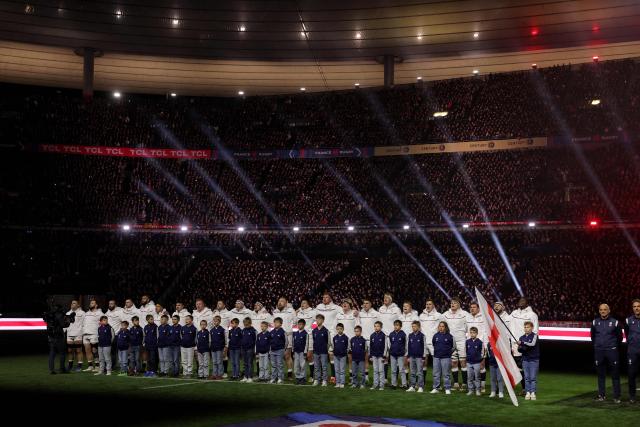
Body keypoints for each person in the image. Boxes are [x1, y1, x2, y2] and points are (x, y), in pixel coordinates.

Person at [591, 303, 623, 403]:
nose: (603, 311)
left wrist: (612, 346)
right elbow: (593, 337)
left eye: (605, 309)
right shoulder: (595, 322)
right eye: (601, 310)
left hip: (612, 351)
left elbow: (620, 338)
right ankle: (601, 395)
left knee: (615, 374)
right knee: (600, 375)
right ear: (599, 311)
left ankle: (616, 397)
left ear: (609, 311)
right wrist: (598, 346)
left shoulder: (615, 322)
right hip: (599, 351)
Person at [511, 297, 539, 393]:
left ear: (527, 303)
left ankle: (529, 390)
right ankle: (525, 389)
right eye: (519, 300)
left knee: (525, 368)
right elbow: (507, 323)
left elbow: (535, 331)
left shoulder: (532, 315)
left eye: (523, 300)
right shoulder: (514, 313)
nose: (520, 302)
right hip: (515, 343)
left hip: (526, 345)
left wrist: (528, 344)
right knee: (519, 367)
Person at [442, 298, 469, 390]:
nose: (452, 304)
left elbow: (468, 327)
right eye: (451, 303)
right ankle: (456, 383)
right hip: (450, 341)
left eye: (455, 303)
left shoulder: (465, 314)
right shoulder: (445, 314)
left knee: (463, 362)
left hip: (461, 340)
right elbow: (441, 325)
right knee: (454, 363)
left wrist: (465, 336)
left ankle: (465, 384)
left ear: (459, 304)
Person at [467, 302, 488, 391]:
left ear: (478, 308)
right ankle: (473, 386)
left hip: (481, 344)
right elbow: (466, 330)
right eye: (471, 307)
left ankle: (482, 386)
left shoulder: (483, 317)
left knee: (482, 365)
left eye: (474, 307)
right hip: (470, 344)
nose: (472, 309)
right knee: (471, 366)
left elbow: (486, 331)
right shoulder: (467, 317)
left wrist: (486, 344)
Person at [273, 297, 296, 378]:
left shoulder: (291, 311)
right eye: (279, 301)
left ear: (286, 303)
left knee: (287, 355)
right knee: (279, 355)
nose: (280, 302)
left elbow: (295, 321)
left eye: (282, 301)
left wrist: (289, 329)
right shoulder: (275, 311)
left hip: (287, 335)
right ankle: (278, 373)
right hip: (277, 336)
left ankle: (290, 373)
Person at [419, 298, 441, 382]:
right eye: (427, 304)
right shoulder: (421, 315)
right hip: (424, 342)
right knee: (423, 363)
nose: (428, 306)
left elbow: (442, 327)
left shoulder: (438, 315)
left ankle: (437, 384)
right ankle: (422, 382)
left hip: (434, 343)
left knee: (436, 363)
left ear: (433, 305)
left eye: (430, 304)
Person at [44, 304, 70, 374]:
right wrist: (68, 322)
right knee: (62, 353)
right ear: (59, 309)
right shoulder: (59, 315)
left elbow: (47, 324)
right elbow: (63, 325)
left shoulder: (49, 315)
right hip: (59, 337)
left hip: (51, 336)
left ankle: (51, 370)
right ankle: (62, 369)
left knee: (52, 353)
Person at [431, 321, 455, 395]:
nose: (441, 328)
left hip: (446, 357)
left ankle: (447, 388)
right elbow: (433, 344)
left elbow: (453, 347)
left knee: (446, 374)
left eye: (442, 326)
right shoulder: (435, 336)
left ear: (446, 327)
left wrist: (447, 353)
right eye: (440, 326)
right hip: (436, 357)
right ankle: (436, 388)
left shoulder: (450, 336)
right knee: (436, 373)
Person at [518, 321, 540, 401]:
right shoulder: (521, 337)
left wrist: (523, 344)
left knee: (533, 378)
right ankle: (528, 392)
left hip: (534, 360)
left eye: (528, 327)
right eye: (525, 327)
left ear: (532, 328)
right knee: (526, 378)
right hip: (525, 360)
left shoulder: (535, 336)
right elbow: (520, 349)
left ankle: (533, 393)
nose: (526, 329)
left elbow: (532, 344)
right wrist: (522, 347)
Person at [359, 298, 379, 384]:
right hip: (362, 339)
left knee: (374, 359)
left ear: (371, 304)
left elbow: (379, 325)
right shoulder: (360, 314)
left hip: (373, 340)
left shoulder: (376, 314)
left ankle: (377, 377)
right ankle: (366, 376)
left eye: (367, 303)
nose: (365, 305)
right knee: (364, 359)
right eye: (364, 303)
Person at [82, 299, 103, 372]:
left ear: (96, 305)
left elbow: (102, 324)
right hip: (85, 334)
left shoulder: (100, 313)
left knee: (94, 350)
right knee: (87, 350)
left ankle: (97, 366)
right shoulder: (86, 313)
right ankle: (90, 366)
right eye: (90, 303)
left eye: (92, 303)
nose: (90, 304)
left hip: (94, 334)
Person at [625, 299, 640, 403]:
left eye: (638, 306)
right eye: (634, 306)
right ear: (632, 308)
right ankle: (632, 396)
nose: (636, 308)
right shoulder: (628, 320)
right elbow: (627, 334)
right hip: (633, 351)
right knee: (631, 374)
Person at [214, 300, 233, 377]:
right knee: (217, 356)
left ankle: (224, 372)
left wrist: (229, 332)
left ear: (224, 305)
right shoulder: (214, 313)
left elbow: (231, 324)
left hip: (224, 335)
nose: (218, 304)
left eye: (220, 303)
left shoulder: (228, 313)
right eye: (217, 303)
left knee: (224, 354)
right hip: (216, 336)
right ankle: (218, 372)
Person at [406, 320, 426, 393]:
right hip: (411, 356)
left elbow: (424, 346)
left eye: (415, 326)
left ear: (419, 327)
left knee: (420, 372)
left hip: (419, 357)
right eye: (412, 326)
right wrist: (408, 356)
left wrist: (423, 357)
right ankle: (412, 386)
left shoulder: (422, 336)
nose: (413, 328)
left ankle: (420, 387)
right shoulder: (410, 335)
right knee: (412, 372)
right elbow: (408, 346)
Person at [66, 299, 85, 372]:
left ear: (78, 305)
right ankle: (70, 365)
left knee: (78, 350)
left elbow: (84, 324)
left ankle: (79, 366)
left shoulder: (82, 313)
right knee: (70, 350)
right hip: (69, 334)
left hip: (78, 334)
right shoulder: (68, 313)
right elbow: (65, 324)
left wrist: (81, 332)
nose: (72, 304)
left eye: (74, 303)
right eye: (72, 303)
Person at [369, 320, 389, 391]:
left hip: (381, 356)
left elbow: (386, 347)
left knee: (381, 371)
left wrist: (384, 356)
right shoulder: (372, 335)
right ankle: (375, 384)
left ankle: (381, 385)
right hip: (374, 355)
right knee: (375, 370)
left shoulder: (384, 335)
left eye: (378, 326)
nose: (376, 327)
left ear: (381, 327)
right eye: (375, 326)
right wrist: (370, 356)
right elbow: (370, 346)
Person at [312, 313, 330, 386]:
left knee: (324, 366)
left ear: (323, 320)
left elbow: (328, 342)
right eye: (317, 319)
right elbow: (314, 340)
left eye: (319, 319)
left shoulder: (326, 330)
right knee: (316, 366)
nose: (318, 320)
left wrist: (326, 349)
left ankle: (324, 380)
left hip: (323, 352)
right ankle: (317, 379)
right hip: (316, 351)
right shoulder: (314, 331)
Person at [389, 319, 407, 389]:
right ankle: (394, 384)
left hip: (400, 354)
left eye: (397, 325)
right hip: (393, 354)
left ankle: (404, 384)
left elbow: (405, 345)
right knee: (393, 370)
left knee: (401, 370)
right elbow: (390, 344)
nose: (396, 327)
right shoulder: (391, 334)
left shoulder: (403, 334)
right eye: (395, 325)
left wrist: (404, 353)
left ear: (400, 326)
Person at [106, 300, 123, 369]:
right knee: (110, 351)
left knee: (117, 351)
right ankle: (112, 365)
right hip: (108, 335)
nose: (110, 305)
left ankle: (119, 365)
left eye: (112, 304)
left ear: (115, 305)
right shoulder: (107, 312)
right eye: (109, 304)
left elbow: (123, 321)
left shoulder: (119, 312)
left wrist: (120, 331)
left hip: (116, 334)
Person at [466, 326, 483, 396]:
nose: (472, 334)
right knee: (469, 377)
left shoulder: (480, 342)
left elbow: (482, 352)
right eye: (471, 333)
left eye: (473, 333)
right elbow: (466, 351)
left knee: (477, 377)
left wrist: (480, 359)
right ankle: (470, 390)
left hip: (477, 363)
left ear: (477, 333)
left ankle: (478, 390)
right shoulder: (467, 342)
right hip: (469, 362)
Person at [209, 315, 228, 380]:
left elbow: (225, 339)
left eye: (216, 321)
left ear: (219, 322)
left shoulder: (222, 330)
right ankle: (214, 374)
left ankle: (220, 374)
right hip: (213, 348)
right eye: (214, 321)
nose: (215, 322)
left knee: (219, 361)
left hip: (220, 348)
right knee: (214, 362)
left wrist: (225, 347)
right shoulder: (211, 330)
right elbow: (210, 340)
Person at [269, 317, 287, 384]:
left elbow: (286, 342)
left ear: (281, 324)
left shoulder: (282, 332)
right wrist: (270, 349)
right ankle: (273, 378)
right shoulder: (272, 332)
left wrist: (283, 349)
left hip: (280, 350)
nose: (275, 324)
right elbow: (270, 341)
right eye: (275, 322)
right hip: (272, 351)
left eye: (277, 322)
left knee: (279, 365)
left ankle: (280, 378)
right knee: (273, 365)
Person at [292, 319, 310, 385]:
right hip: (296, 352)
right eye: (299, 324)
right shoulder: (295, 333)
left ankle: (303, 378)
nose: (300, 326)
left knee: (302, 365)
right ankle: (298, 378)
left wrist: (305, 352)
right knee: (296, 365)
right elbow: (293, 342)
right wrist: (293, 351)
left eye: (301, 324)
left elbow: (306, 343)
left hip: (302, 352)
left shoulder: (305, 333)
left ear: (304, 325)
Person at [332, 323, 349, 388]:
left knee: (342, 370)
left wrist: (345, 353)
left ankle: (342, 383)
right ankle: (337, 383)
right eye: (338, 329)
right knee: (337, 370)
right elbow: (333, 346)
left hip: (343, 356)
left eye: (341, 329)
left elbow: (347, 347)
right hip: (336, 356)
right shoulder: (334, 338)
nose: (339, 330)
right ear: (336, 329)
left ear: (343, 329)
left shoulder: (345, 338)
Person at [241, 317, 257, 382]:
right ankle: (245, 376)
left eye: (247, 324)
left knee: (250, 363)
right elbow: (241, 339)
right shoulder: (243, 330)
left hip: (250, 349)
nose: (245, 326)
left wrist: (255, 350)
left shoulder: (253, 331)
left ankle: (250, 377)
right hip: (244, 349)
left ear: (250, 323)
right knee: (245, 363)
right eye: (244, 324)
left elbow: (255, 341)